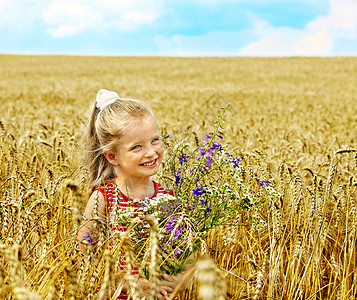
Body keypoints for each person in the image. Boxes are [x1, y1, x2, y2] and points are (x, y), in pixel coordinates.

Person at [78, 89, 194, 300]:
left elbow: (188, 258)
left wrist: (178, 281)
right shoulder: (103, 198)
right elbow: (87, 255)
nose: (151, 152)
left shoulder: (168, 200)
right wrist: (128, 283)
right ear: (112, 156)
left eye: (155, 140)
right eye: (137, 147)